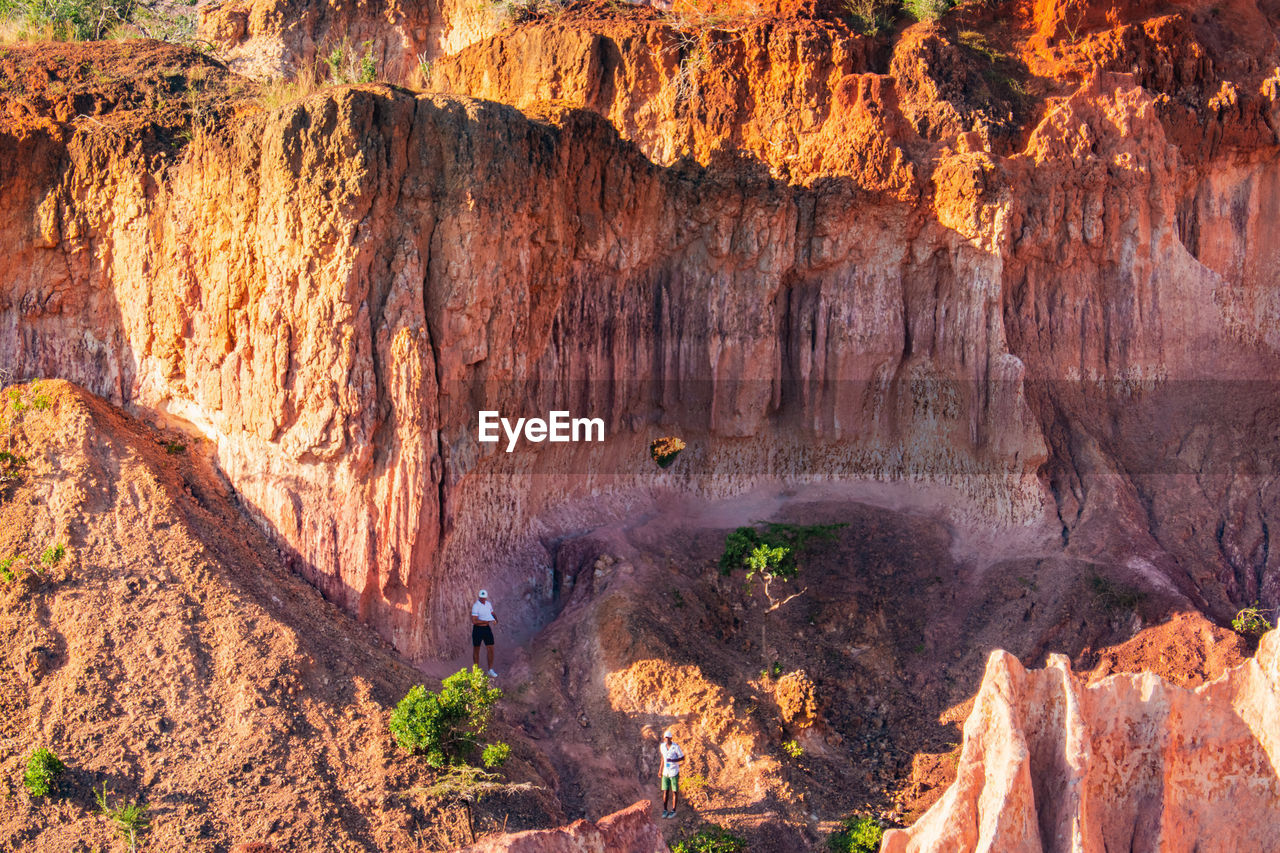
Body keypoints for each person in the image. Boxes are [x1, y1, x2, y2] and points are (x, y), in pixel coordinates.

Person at [658, 729, 685, 818]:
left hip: (674, 771)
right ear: (664, 739)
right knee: (665, 791)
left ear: (671, 738)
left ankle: (673, 810)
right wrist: (660, 770)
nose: (667, 740)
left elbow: (682, 757)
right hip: (666, 772)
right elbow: (663, 758)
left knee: (674, 791)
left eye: (669, 738)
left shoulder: (675, 747)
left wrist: (674, 760)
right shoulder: (662, 747)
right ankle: (665, 810)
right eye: (666, 738)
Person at [471, 589, 498, 677]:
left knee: (491, 648)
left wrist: (495, 619)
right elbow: (474, 621)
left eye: (484, 598)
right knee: (476, 650)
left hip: (486, 629)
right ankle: (476, 672)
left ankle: (490, 669)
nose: (483, 599)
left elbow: (492, 613)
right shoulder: (476, 606)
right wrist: (485, 622)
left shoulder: (488, 604)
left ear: (486, 598)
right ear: (479, 597)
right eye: (481, 598)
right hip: (478, 630)